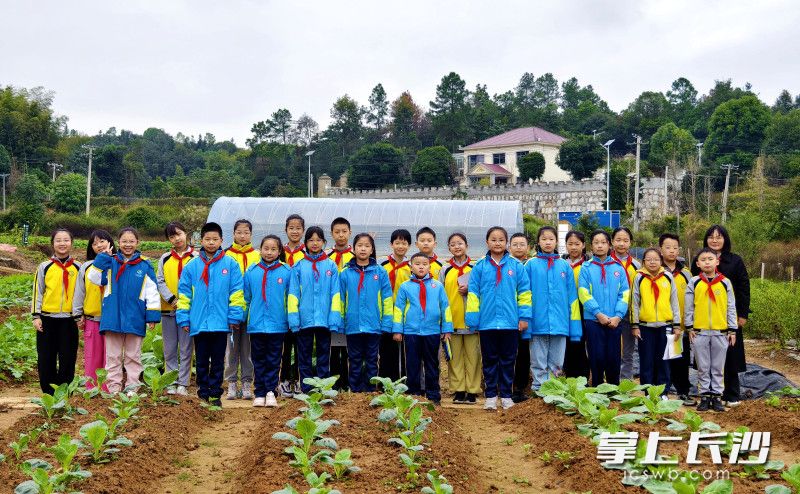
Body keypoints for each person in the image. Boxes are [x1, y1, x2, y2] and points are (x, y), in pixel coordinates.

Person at [177, 222, 245, 407]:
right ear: (201, 240)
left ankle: (215, 394)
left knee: (217, 361)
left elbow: (237, 292)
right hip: (199, 322)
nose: (211, 242)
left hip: (221, 323)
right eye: (207, 239)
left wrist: (234, 316)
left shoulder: (230, 264)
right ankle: (203, 394)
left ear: (222, 240)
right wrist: (184, 317)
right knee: (200, 360)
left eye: (215, 239)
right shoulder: (192, 266)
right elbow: (184, 294)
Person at [466, 226, 532, 411]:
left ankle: (506, 396)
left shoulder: (516, 266)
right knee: (489, 360)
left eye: (501, 240)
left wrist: (524, 317)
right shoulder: (479, 266)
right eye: (493, 240)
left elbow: (525, 293)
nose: (497, 243)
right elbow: (473, 294)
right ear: (487, 242)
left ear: (506, 243)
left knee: (508, 360)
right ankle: (490, 396)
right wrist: (473, 319)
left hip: (510, 323)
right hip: (487, 323)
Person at [89, 227, 160, 395]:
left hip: (135, 316)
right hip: (112, 317)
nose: (128, 245)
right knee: (113, 356)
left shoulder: (145, 265)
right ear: (118, 243)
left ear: (137, 243)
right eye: (124, 241)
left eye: (131, 241)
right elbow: (94, 278)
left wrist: (152, 316)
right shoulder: (110, 262)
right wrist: (103, 257)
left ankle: (132, 388)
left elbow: (152, 292)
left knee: (133, 356)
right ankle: (113, 388)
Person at [691, 225, 750, 407]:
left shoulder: (735, 261)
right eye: (711, 236)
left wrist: (742, 314)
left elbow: (743, 288)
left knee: (730, 355)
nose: (715, 240)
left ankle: (731, 394)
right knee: (706, 360)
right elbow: (694, 292)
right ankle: (708, 394)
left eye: (719, 237)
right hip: (704, 320)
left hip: (728, 317)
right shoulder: (699, 260)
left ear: (725, 239)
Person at [525, 226, 581, 392]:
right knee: (538, 359)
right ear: (538, 242)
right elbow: (525, 295)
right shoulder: (530, 265)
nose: (548, 242)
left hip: (560, 322)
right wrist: (526, 320)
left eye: (551, 239)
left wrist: (574, 326)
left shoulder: (564, 266)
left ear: (557, 241)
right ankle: (538, 389)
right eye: (544, 239)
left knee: (557, 361)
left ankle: (554, 389)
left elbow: (572, 298)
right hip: (538, 322)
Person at [288, 226, 342, 394]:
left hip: (324, 320)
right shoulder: (298, 266)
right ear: (305, 243)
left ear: (324, 242)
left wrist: (334, 319)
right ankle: (306, 389)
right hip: (304, 320)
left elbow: (336, 294)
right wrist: (294, 319)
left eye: (318, 240)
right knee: (303, 355)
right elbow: (293, 294)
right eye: (311, 240)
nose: (315, 243)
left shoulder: (331, 266)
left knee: (323, 354)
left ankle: (323, 388)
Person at [393, 252, 453, 405]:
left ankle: (433, 395)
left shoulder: (437, 286)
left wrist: (447, 329)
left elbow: (445, 308)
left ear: (429, 267)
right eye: (417, 264)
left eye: (424, 264)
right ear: (411, 267)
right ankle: (414, 394)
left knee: (432, 364)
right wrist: (398, 330)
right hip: (411, 332)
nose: (421, 267)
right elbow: (399, 309)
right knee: (412, 364)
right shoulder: (405, 287)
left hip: (432, 331)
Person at [686, 248, 737, 412]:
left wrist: (732, 329)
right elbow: (689, 307)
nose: (707, 262)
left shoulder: (725, 282)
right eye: (703, 259)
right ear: (698, 263)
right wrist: (689, 326)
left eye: (710, 259)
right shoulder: (694, 282)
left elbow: (731, 307)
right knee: (703, 366)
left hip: (720, 332)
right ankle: (704, 396)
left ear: (717, 262)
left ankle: (716, 396)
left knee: (717, 366)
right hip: (699, 332)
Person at [339, 233, 393, 392]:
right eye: (360, 245)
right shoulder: (345, 273)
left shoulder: (380, 272)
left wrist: (387, 322)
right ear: (354, 248)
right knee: (354, 359)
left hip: (374, 324)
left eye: (367, 246)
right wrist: (340, 321)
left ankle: (370, 390)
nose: (363, 249)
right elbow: (340, 299)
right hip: (352, 324)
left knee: (372, 358)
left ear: (372, 249)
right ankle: (355, 390)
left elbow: (387, 299)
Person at [243, 235, 291, 407]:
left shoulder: (286, 272)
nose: (269, 252)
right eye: (266, 248)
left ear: (279, 251)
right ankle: (259, 392)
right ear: (260, 249)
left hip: (278, 325)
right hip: (256, 324)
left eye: (273, 249)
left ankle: (271, 391)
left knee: (274, 359)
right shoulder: (251, 271)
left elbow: (290, 298)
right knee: (258, 359)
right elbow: (246, 298)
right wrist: (241, 318)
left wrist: (291, 320)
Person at [578, 230, 630, 386]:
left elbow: (624, 294)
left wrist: (618, 316)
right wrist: (598, 314)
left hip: (615, 321)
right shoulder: (586, 268)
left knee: (613, 357)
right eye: (596, 242)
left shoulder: (618, 268)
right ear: (591, 246)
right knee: (597, 357)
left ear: (609, 245)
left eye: (603, 242)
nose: (600, 246)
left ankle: (613, 390)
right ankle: (597, 388)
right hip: (593, 321)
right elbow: (583, 293)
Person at [32, 228, 81, 394]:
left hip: (69, 320)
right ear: (52, 244)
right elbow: (38, 292)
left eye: (66, 240)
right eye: (58, 240)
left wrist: (80, 315)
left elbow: (82, 293)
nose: (62, 243)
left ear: (71, 243)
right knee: (46, 357)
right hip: (47, 319)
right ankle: (48, 393)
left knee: (68, 357)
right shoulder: (44, 267)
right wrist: (36, 316)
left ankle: (64, 393)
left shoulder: (78, 267)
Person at [156, 221, 197, 396]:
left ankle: (183, 383)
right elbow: (160, 281)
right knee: (169, 349)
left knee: (186, 349)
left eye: (179, 234)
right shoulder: (165, 258)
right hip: (168, 310)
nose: (176, 239)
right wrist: (172, 299)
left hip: (188, 311)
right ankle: (171, 381)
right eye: (172, 236)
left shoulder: (196, 257)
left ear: (186, 233)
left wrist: (187, 302)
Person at [630, 248, 680, 394]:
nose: (652, 262)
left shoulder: (668, 277)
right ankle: (648, 391)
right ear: (643, 261)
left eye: (656, 259)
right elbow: (634, 302)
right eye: (649, 259)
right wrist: (635, 325)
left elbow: (674, 301)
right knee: (646, 360)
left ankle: (663, 391)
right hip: (645, 326)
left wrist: (677, 324)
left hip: (666, 325)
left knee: (665, 359)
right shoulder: (639, 277)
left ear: (661, 261)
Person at [440, 233, 480, 404]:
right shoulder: (445, 270)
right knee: (454, 358)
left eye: (460, 243)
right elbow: (440, 296)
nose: (457, 247)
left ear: (467, 246)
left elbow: (482, 289)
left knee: (473, 358)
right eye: (453, 244)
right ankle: (458, 390)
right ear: (449, 248)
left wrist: (469, 289)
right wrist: (443, 323)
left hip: (472, 323)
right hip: (452, 322)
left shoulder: (476, 267)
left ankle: (472, 390)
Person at [73, 229, 115, 390]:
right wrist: (78, 314)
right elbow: (80, 291)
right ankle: (91, 389)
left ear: (110, 242)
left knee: (111, 357)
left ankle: (109, 389)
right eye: (95, 243)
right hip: (92, 319)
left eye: (102, 241)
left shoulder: (117, 263)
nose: (99, 245)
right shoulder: (86, 267)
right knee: (92, 356)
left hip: (112, 320)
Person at [224, 219, 260, 400]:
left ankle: (247, 382)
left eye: (246, 232)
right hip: (230, 309)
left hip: (251, 310)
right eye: (239, 232)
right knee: (231, 348)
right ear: (233, 234)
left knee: (248, 349)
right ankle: (231, 382)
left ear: (251, 235)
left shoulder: (257, 255)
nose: (242, 236)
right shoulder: (226, 255)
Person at [660, 233, 695, 405]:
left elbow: (693, 298)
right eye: (668, 247)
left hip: (681, 327)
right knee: (663, 360)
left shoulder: (686, 274)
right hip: (662, 325)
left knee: (681, 359)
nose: (672, 251)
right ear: (661, 249)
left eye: (675, 247)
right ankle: (662, 392)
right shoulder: (656, 271)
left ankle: (683, 392)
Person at [379, 228, 412, 381]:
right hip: (385, 312)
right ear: (391, 244)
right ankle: (385, 381)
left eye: (404, 243)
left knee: (403, 349)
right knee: (385, 348)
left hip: (404, 313)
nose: (400, 246)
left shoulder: (411, 267)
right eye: (397, 243)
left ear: (409, 246)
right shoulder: (382, 265)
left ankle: (402, 380)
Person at [611, 227, 641, 381]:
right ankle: (612, 380)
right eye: (618, 240)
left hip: (629, 313)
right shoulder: (606, 262)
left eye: (625, 240)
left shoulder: (636, 265)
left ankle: (626, 381)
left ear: (630, 243)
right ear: (612, 241)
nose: (621, 244)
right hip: (610, 314)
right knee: (612, 350)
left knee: (628, 351)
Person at [280, 214, 305, 396]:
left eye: (298, 228)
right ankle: (283, 380)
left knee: (300, 346)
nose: (295, 231)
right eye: (291, 228)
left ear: (303, 231)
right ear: (286, 230)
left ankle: (297, 380)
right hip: (281, 307)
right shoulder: (278, 251)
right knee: (284, 347)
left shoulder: (306, 254)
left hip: (300, 307)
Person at [327, 217, 354, 390]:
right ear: (332, 234)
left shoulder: (355, 257)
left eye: (344, 231)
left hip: (349, 308)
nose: (341, 235)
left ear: (350, 233)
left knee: (348, 348)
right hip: (331, 308)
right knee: (332, 348)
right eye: (337, 232)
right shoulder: (327, 257)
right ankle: (333, 383)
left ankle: (347, 381)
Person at [561, 230, 590, 380]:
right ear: (565, 245)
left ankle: (583, 376)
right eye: (570, 244)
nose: (573, 247)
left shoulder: (588, 265)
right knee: (566, 343)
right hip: (564, 308)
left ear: (583, 245)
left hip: (583, 308)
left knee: (580, 342)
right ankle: (569, 375)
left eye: (577, 244)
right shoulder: (560, 264)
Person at [509, 232, 532, 402]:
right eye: (515, 244)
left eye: (522, 244)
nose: (518, 247)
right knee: (507, 353)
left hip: (527, 316)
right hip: (508, 316)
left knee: (524, 353)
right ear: (509, 247)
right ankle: (503, 386)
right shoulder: (505, 265)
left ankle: (520, 387)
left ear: (528, 248)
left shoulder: (531, 265)